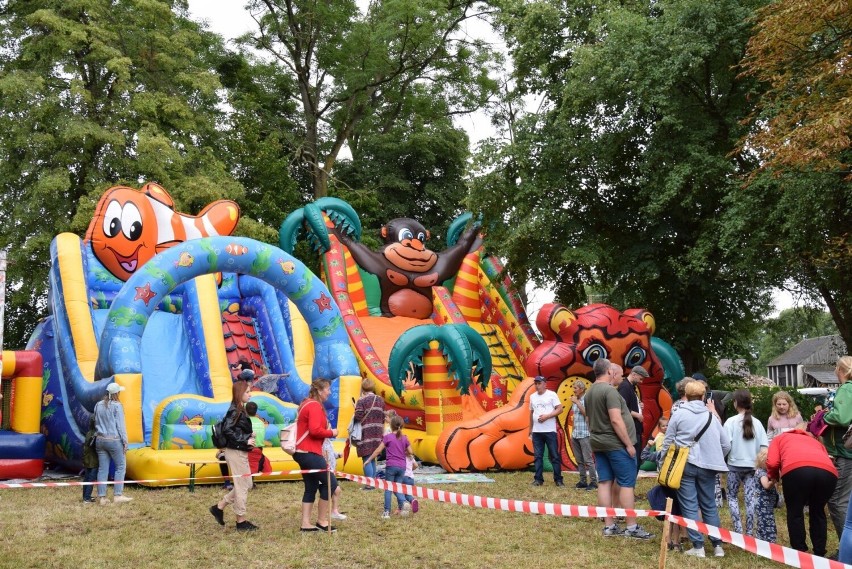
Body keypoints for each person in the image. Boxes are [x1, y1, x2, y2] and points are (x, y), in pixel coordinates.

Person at [585, 358, 652, 540]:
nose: (620, 378)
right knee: (627, 484)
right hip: (616, 444)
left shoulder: (589, 392)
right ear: (609, 372)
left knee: (604, 482)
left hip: (598, 442)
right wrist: (629, 445)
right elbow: (616, 419)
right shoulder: (609, 392)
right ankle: (631, 526)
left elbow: (588, 419)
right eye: (618, 374)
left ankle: (610, 525)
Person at [661, 380, 730, 558]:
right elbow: (726, 444)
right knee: (709, 505)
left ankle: (698, 546)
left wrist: (662, 461)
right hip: (709, 466)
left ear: (686, 395)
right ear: (702, 396)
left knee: (689, 505)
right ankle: (717, 546)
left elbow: (668, 440)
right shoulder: (711, 416)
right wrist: (715, 456)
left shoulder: (678, 414)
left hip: (685, 465)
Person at [768, 425, 838, 558]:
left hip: (796, 470)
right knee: (818, 512)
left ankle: (799, 552)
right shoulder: (815, 441)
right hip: (828, 473)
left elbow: (772, 462)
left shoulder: (780, 438)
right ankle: (819, 552)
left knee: (795, 512)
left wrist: (774, 477)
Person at [209, 378, 258, 531]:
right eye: (247, 392)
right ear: (240, 393)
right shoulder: (235, 410)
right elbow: (227, 430)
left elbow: (233, 429)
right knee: (243, 485)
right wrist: (245, 439)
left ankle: (219, 507)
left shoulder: (238, 409)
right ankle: (241, 521)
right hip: (236, 451)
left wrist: (248, 436)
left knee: (246, 484)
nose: (250, 395)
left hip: (238, 450)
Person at [291, 378, 339, 532]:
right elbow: (315, 430)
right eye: (328, 389)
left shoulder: (305, 403)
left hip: (301, 452)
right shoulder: (315, 406)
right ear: (320, 390)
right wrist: (332, 432)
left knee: (310, 487)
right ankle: (322, 521)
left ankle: (305, 523)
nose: (329, 392)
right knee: (330, 483)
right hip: (309, 451)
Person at [724, 389, 768, 536]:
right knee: (750, 499)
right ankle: (749, 532)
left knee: (732, 497)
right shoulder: (758, 423)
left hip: (734, 466)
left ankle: (737, 530)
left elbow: (726, 444)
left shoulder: (730, 422)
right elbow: (764, 447)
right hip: (751, 467)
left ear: (736, 403)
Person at [824, 356, 852, 541]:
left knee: (836, 501)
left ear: (840, 370)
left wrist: (824, 416)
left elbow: (842, 418)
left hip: (846, 453)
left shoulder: (847, 387)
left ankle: (846, 551)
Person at [366, 414, 413, 519]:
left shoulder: (387, 437)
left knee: (388, 489)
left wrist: (369, 460)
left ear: (391, 426)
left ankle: (387, 512)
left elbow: (378, 450)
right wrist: (404, 451)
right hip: (402, 467)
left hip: (391, 466)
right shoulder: (405, 438)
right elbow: (411, 451)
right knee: (398, 487)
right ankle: (403, 503)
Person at [94, 382, 132, 505]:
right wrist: (125, 442)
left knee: (102, 469)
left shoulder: (98, 405)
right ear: (117, 393)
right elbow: (121, 426)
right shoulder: (117, 406)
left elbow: (95, 421)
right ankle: (118, 495)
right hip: (114, 440)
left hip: (100, 440)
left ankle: (102, 497)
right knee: (120, 467)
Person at [528, 375, 564, 487]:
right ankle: (538, 479)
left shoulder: (552, 395)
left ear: (545, 384)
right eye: (536, 383)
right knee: (538, 456)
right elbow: (531, 413)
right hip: (537, 431)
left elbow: (560, 409)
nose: (537, 386)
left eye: (539, 383)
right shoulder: (532, 396)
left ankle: (558, 479)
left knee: (554, 455)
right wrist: (530, 429)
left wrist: (548, 416)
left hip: (549, 430)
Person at [352, 377, 386, 490]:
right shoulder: (380, 400)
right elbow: (382, 416)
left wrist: (355, 408)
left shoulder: (362, 401)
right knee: (373, 457)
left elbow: (358, 416)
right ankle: (374, 482)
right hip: (378, 432)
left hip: (365, 432)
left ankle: (369, 484)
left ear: (362, 388)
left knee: (366, 458)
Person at [569, 380, 597, 490]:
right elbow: (575, 417)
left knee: (588, 460)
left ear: (581, 389)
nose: (574, 390)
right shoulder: (576, 401)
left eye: (575, 388)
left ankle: (594, 482)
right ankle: (583, 481)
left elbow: (587, 414)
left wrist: (577, 402)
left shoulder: (586, 399)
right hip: (576, 434)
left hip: (585, 434)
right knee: (579, 460)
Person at [619, 365, 647, 469]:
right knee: (633, 460)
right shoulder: (625, 387)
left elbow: (629, 404)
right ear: (634, 375)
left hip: (636, 428)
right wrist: (637, 414)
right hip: (631, 429)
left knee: (637, 459)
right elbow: (621, 407)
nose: (641, 382)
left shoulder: (631, 387)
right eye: (641, 379)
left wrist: (639, 405)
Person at [754, 448, 778, 544]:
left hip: (767, 504)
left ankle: (763, 540)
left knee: (766, 521)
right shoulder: (762, 473)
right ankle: (768, 541)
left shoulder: (764, 472)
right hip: (762, 504)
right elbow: (766, 486)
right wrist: (773, 481)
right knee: (766, 522)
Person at [322, 437, 346, 520]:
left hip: (331, 470)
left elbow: (331, 454)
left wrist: (338, 455)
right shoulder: (320, 442)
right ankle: (328, 514)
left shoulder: (328, 441)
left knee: (336, 491)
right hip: (325, 471)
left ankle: (334, 511)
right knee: (335, 491)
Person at [245, 401, 272, 476]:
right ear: (256, 411)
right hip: (259, 449)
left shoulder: (245, 422)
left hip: (249, 448)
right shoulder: (261, 423)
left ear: (246, 410)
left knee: (250, 467)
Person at [82, 416, 98, 503]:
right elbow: (94, 446)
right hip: (93, 460)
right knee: (91, 479)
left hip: (87, 459)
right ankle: (87, 498)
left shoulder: (89, 433)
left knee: (86, 478)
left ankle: (85, 496)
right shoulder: (95, 434)